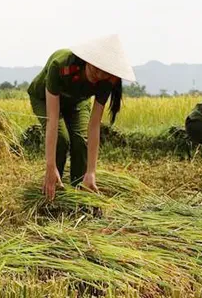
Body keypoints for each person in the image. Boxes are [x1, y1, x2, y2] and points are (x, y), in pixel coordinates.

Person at [27, 35, 136, 200]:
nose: (98, 75)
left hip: (77, 102)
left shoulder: (107, 81)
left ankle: (79, 193)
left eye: (104, 72)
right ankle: (51, 189)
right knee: (62, 139)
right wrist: (50, 165)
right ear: (88, 59)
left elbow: (93, 125)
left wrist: (91, 172)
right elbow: (53, 120)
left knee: (80, 141)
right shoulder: (61, 64)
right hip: (45, 99)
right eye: (96, 68)